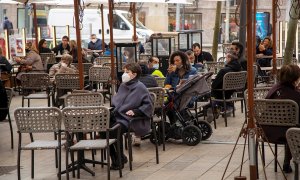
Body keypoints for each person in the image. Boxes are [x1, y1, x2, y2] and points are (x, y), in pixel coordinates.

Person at [109, 63, 153, 169]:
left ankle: (119, 160)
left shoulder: (140, 87)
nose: (124, 74)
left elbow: (149, 105)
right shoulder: (123, 86)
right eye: (124, 71)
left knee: (115, 130)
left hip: (131, 119)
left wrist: (136, 111)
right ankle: (116, 157)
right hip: (118, 116)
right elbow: (116, 101)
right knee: (102, 130)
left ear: (134, 74)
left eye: (127, 72)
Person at [265, 64, 300, 173]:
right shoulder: (296, 96)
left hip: (268, 132)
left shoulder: (273, 89)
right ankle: (289, 160)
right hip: (290, 134)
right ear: (296, 78)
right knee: (294, 126)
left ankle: (287, 161)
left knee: (290, 125)